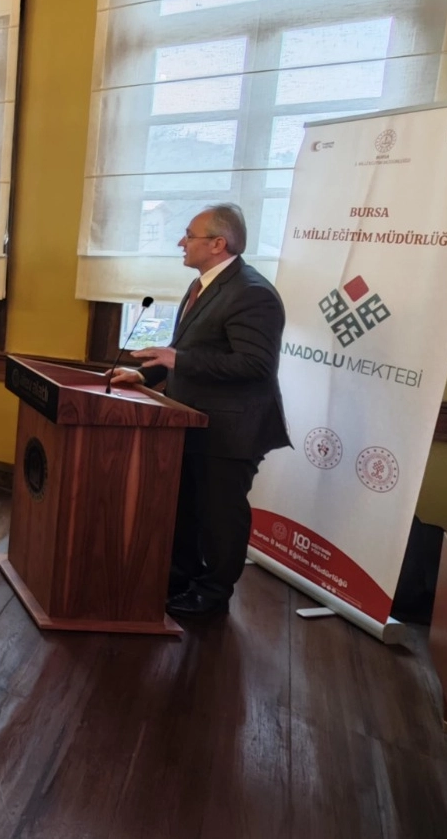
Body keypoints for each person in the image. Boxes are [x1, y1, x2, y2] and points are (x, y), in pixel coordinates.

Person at [111, 203, 290, 618]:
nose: (180, 242)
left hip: (232, 430)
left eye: (188, 235)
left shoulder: (253, 293)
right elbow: (191, 355)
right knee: (188, 507)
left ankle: (213, 597)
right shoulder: (204, 286)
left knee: (220, 515)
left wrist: (176, 361)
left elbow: (255, 365)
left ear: (217, 243)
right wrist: (145, 377)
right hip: (192, 420)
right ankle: (181, 579)